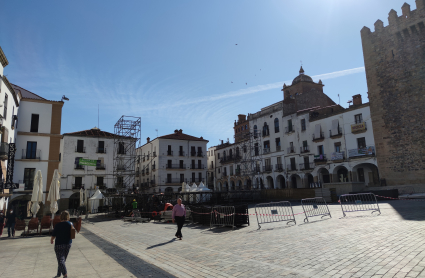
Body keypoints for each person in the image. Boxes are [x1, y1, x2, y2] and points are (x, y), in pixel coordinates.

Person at [51, 211, 74, 278]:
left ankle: (65, 274)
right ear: (68, 217)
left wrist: (52, 240)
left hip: (59, 244)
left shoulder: (57, 225)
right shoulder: (70, 224)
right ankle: (58, 273)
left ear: (60, 217)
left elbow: (53, 235)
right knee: (62, 260)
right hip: (68, 244)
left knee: (61, 259)